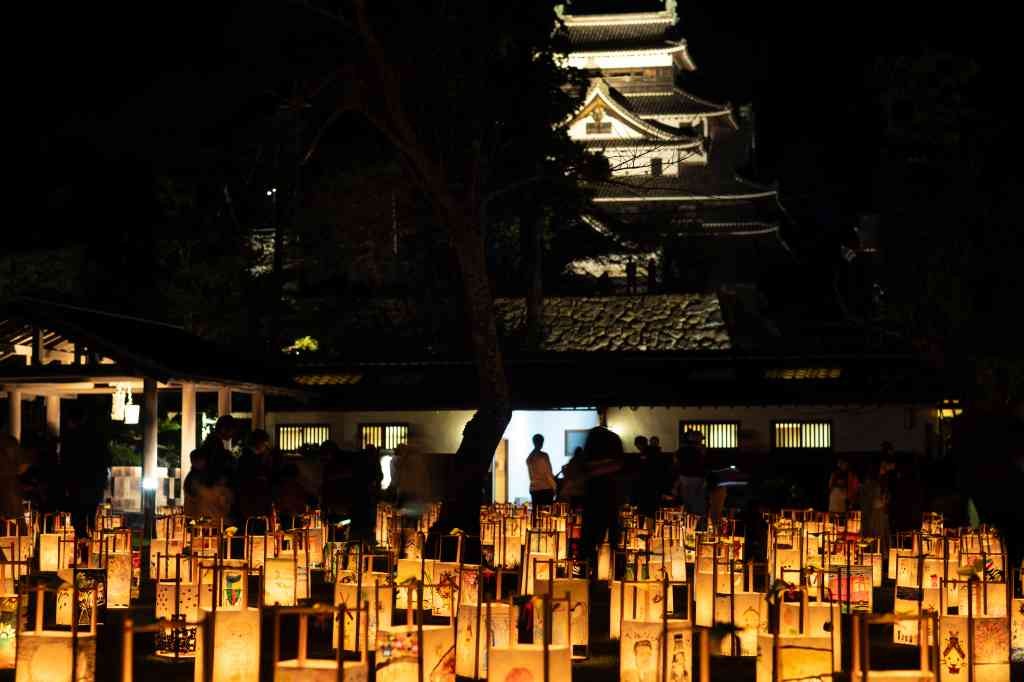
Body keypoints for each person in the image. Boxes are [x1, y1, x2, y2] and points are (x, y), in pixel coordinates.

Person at [59, 402, 112, 535]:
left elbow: (66, 462)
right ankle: (91, 542)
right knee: (89, 516)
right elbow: (104, 459)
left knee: (80, 519)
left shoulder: (71, 438)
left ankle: (84, 544)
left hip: (78, 485)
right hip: (92, 484)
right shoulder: (96, 437)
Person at [235, 430, 275, 522]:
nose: (266, 447)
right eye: (265, 444)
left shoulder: (245, 457)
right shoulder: (251, 459)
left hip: (248, 502)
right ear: (259, 443)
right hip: (253, 502)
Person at [526, 434, 556, 507]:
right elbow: (548, 473)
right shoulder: (544, 456)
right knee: (547, 513)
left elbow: (531, 476)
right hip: (545, 488)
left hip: (534, 488)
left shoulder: (529, 458)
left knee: (536, 513)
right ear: (541, 442)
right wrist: (554, 486)